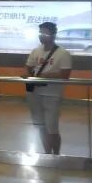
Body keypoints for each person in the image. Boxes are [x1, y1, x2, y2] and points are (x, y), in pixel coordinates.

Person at [24, 22, 72, 156]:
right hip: (35, 93)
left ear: (53, 35)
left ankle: (56, 155)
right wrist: (29, 75)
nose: (42, 36)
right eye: (40, 33)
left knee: (52, 128)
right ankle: (46, 154)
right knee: (40, 126)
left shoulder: (63, 53)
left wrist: (46, 76)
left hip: (52, 94)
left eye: (45, 33)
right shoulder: (36, 51)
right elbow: (28, 67)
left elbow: (65, 75)